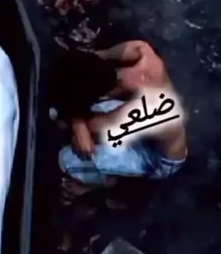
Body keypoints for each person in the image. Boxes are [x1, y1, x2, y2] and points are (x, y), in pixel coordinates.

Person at [54, 40, 188, 198]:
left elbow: (92, 127)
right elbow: (137, 47)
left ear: (108, 93)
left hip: (155, 158)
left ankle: (104, 182)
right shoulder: (145, 58)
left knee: (69, 158)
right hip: (139, 126)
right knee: (79, 118)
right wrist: (91, 58)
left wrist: (77, 122)